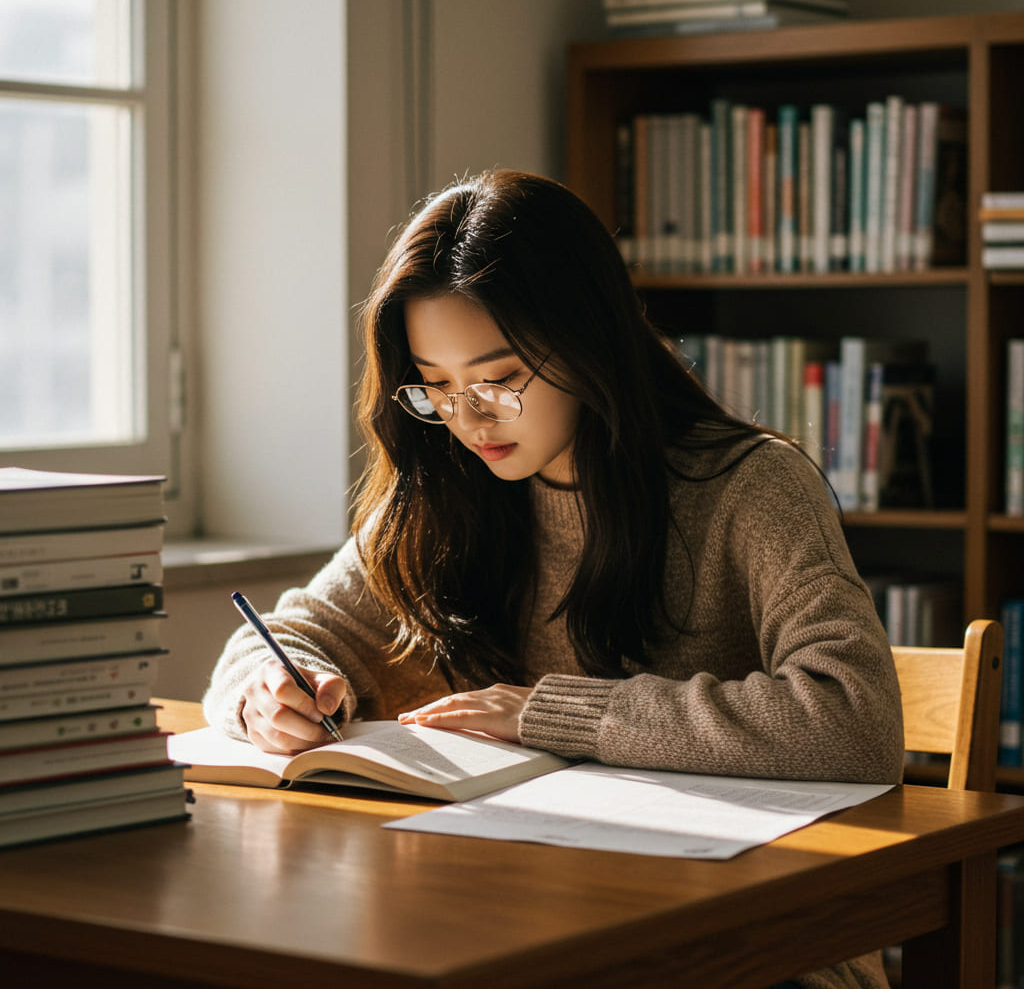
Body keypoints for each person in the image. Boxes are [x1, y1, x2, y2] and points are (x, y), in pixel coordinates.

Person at [203, 169, 903, 989]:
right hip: (520, 919)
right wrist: (269, 691)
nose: (467, 419)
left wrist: (553, 715)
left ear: (586, 340)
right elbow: (287, 634)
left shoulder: (749, 486)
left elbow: (856, 721)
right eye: (436, 386)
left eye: (498, 380)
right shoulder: (445, 495)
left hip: (755, 938)